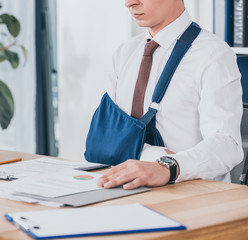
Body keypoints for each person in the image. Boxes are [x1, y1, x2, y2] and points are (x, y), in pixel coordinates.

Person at [94, 0, 243, 190]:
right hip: (124, 189)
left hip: (191, 195)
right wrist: (150, 155)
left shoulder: (213, 54)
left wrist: (168, 166)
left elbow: (227, 145)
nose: (129, 3)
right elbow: (108, 134)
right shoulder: (124, 53)